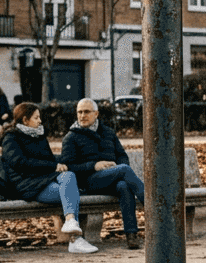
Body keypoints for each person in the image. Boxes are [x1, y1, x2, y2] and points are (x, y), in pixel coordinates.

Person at [0, 102, 96, 253]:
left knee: (69, 176)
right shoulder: (11, 138)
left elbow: (50, 161)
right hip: (27, 185)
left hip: (46, 180)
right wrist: (53, 166)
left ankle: (70, 222)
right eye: (36, 118)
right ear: (25, 120)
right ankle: (75, 240)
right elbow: (20, 163)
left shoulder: (39, 136)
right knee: (71, 193)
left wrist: (59, 165)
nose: (40, 121)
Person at [60, 99, 146, 250]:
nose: (82, 115)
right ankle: (153, 206)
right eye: (79, 112)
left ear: (96, 114)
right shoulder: (71, 137)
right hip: (88, 182)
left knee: (124, 186)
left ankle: (131, 235)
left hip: (111, 179)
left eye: (86, 112)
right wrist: (94, 165)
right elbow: (69, 167)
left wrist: (116, 167)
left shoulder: (108, 132)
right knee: (124, 170)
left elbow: (122, 155)